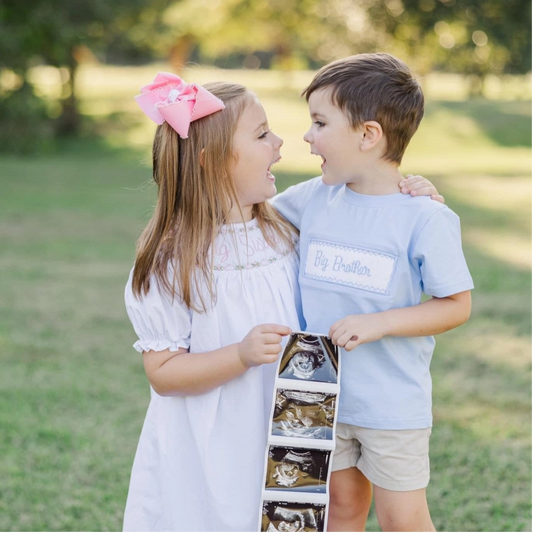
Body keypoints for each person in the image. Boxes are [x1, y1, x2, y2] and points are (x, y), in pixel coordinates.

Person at [123, 72, 441, 533]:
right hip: (217, 438)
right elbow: (163, 374)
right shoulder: (171, 263)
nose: (280, 142)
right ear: (213, 162)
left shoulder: (285, 227)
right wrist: (238, 355)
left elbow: (368, 207)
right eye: (261, 134)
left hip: (296, 424)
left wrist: (413, 196)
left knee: (298, 519)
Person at [271, 53, 473, 533]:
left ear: (367, 134)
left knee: (403, 520)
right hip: (314, 394)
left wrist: (379, 323)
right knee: (337, 511)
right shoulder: (310, 199)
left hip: (390, 403)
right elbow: (248, 219)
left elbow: (456, 305)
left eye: (320, 122)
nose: (307, 135)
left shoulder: (425, 217)